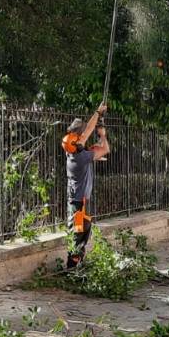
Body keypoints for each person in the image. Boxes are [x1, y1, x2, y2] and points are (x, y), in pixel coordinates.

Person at [65, 103, 110, 268]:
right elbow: (105, 149)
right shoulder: (81, 157)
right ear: (76, 140)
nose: (83, 136)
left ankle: (76, 265)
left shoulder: (72, 152)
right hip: (80, 204)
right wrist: (103, 135)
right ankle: (72, 267)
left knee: (80, 233)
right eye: (80, 136)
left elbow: (87, 135)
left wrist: (98, 116)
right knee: (79, 234)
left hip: (78, 201)